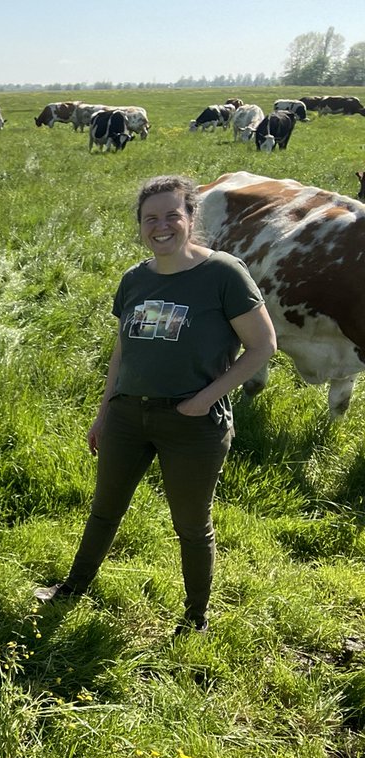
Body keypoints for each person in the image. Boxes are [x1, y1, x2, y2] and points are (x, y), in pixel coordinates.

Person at [33, 175, 276, 635]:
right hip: (128, 414)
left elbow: (263, 347)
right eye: (150, 219)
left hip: (193, 424)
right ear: (140, 226)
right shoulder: (134, 280)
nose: (160, 226)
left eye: (171, 215)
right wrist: (105, 411)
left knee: (191, 524)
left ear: (189, 218)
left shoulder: (223, 274)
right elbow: (122, 352)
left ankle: (195, 618)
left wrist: (202, 402)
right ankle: (73, 588)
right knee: (105, 510)